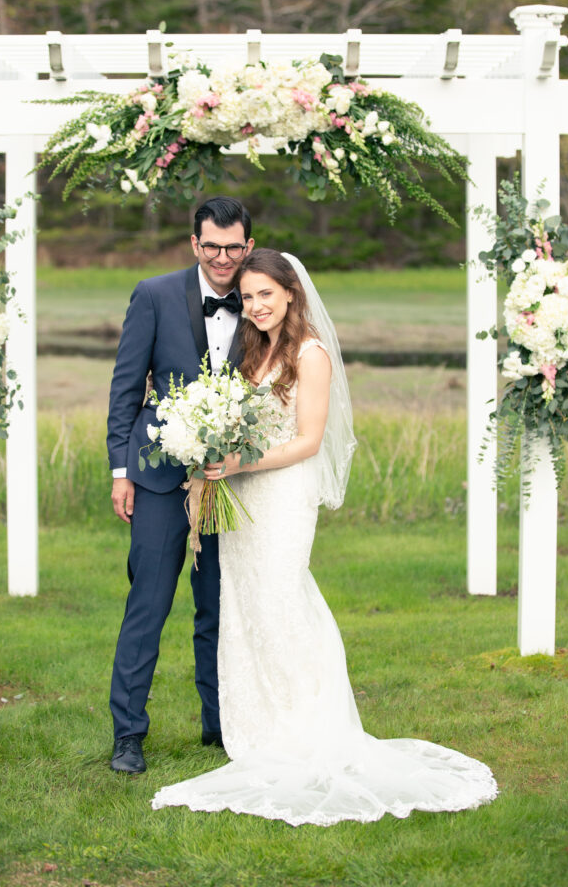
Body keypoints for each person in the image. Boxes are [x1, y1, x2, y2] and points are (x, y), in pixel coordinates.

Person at [152, 248, 498, 825]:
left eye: (266, 294)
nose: (256, 305)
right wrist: (210, 448)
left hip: (283, 492)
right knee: (246, 603)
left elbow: (309, 440)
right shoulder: (253, 349)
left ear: (291, 292)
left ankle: (311, 727)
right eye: (248, 295)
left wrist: (239, 464)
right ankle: (260, 728)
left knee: (284, 599)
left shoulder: (310, 355)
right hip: (246, 491)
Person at [106, 196, 254, 774]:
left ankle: (221, 729)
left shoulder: (263, 298)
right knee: (148, 604)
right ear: (194, 244)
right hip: (160, 479)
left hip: (232, 482)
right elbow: (125, 387)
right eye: (211, 246)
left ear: (247, 245)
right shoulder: (154, 294)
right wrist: (121, 470)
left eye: (233, 247)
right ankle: (128, 736)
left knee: (219, 608)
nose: (223, 258)